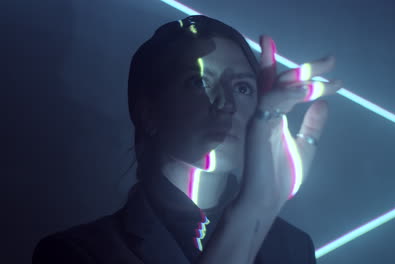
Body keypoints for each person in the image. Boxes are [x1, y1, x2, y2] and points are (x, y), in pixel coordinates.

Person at [32, 15, 341, 264]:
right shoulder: (76, 254)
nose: (227, 103)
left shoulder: (292, 248)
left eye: (244, 88)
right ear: (148, 111)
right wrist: (254, 209)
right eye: (199, 81)